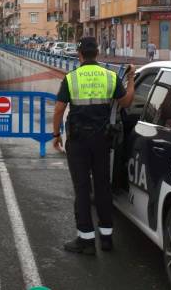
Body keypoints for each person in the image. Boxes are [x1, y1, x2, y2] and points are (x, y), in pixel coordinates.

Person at [52, 37, 135, 255]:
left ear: (79, 54)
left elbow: (59, 108)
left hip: (78, 142)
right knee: (102, 188)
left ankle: (86, 241)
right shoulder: (110, 76)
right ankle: (106, 239)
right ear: (97, 53)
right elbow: (126, 102)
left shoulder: (71, 78)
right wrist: (132, 79)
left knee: (81, 189)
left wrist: (55, 135)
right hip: (102, 141)